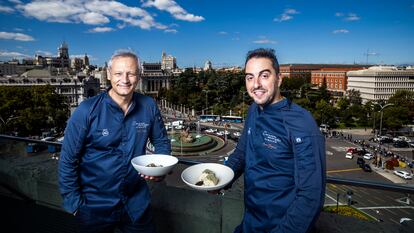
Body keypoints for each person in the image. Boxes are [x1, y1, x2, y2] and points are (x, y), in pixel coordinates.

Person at [58, 49, 171, 233]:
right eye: (118, 73)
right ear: (109, 75)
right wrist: (74, 204)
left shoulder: (149, 106)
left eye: (131, 73)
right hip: (94, 207)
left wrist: (161, 166)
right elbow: (68, 159)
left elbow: (162, 142)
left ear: (139, 75)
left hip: (136, 205)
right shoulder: (86, 110)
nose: (124, 79)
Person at [225, 48, 326, 232]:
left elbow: (311, 196)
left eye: (264, 76)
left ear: (278, 79)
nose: (256, 84)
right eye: (249, 77)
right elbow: (241, 153)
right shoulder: (253, 111)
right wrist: (222, 177)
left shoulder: (302, 123)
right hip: (250, 223)